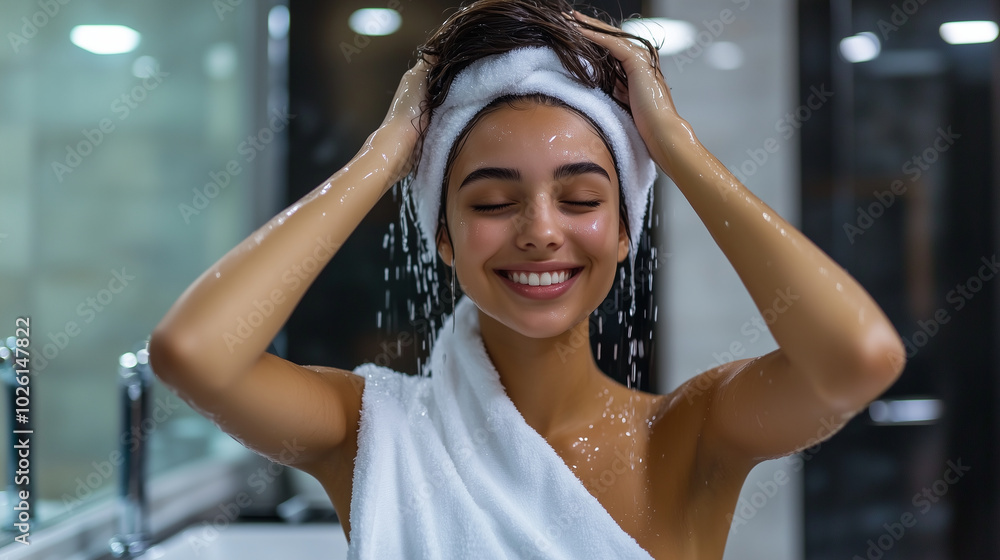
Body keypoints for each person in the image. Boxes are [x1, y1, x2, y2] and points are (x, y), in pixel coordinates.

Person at [148, 1, 907, 558]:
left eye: (581, 199)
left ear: (622, 233)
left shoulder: (684, 438)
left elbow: (858, 357)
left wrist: (675, 148)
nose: (541, 230)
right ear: (441, 238)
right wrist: (386, 154)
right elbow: (194, 353)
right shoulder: (370, 431)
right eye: (491, 202)